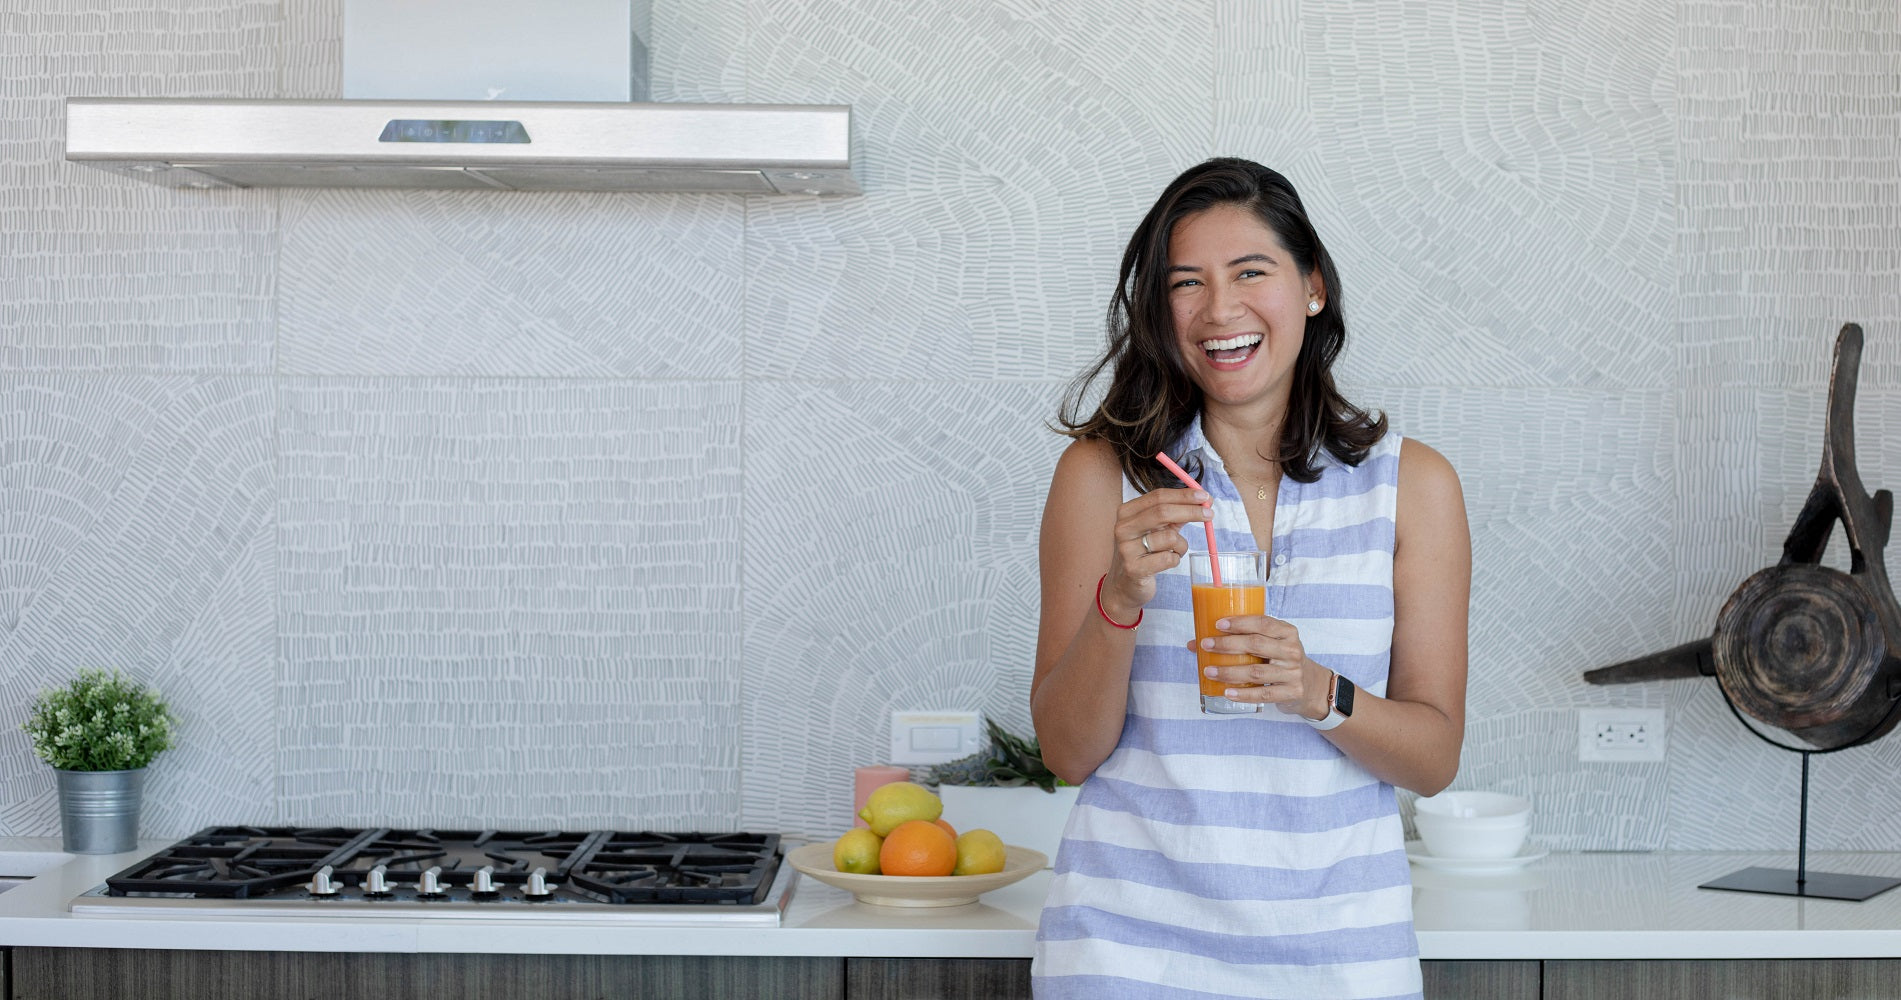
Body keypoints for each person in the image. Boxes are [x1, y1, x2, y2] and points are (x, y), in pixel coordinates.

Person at [1029, 157, 1470, 1000]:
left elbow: (1433, 757)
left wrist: (1315, 692)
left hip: (1341, 961)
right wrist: (1117, 601)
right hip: (1127, 958)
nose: (1220, 310)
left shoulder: (1410, 486)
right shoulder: (1103, 476)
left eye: (1250, 273)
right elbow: (1066, 752)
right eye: (1184, 283)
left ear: (1311, 288)